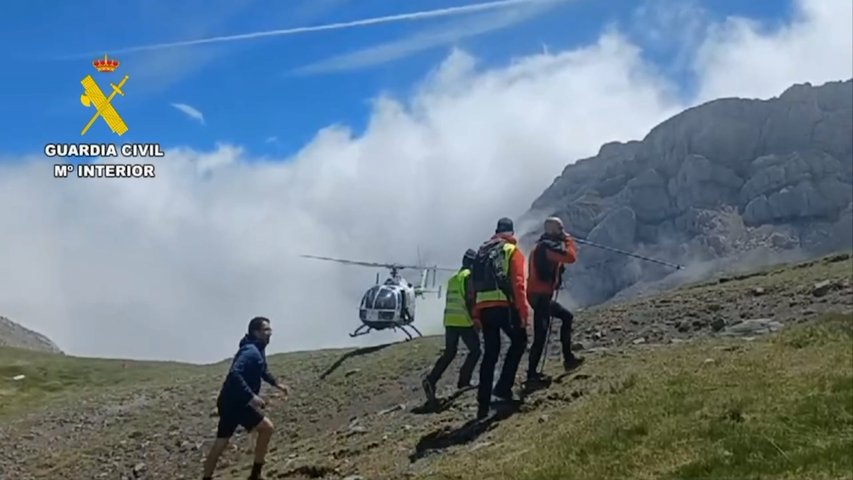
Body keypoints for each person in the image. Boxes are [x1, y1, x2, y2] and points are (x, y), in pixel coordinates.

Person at [202, 316, 290, 480]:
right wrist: (251, 397)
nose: (270, 333)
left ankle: (206, 478)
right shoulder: (250, 351)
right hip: (237, 403)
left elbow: (262, 370)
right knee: (267, 428)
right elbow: (234, 374)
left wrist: (277, 384)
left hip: (229, 401)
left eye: (270, 330)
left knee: (221, 443)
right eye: (266, 330)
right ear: (256, 332)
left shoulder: (258, 349)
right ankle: (255, 475)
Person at [469, 217, 529, 420]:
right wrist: (523, 313)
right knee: (520, 341)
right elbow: (519, 284)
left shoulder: (481, 252)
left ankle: (483, 404)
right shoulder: (511, 251)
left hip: (484, 309)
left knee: (490, 354)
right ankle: (503, 388)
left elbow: (472, 286)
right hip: (505, 306)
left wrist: (475, 313)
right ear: (511, 233)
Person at [525, 217, 584, 384]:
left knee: (565, 318)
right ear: (551, 230)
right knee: (541, 335)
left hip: (539, 295)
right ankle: (532, 375)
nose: (562, 231)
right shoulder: (547, 247)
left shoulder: (542, 246)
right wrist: (569, 240)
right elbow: (570, 257)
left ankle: (567, 359)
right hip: (540, 296)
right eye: (560, 228)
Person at [422, 249, 481, 404]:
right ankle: (463, 381)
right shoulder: (468, 276)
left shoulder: (453, 278)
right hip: (463, 320)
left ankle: (431, 379)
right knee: (476, 350)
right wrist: (475, 319)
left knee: (450, 353)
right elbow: (469, 299)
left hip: (450, 321)